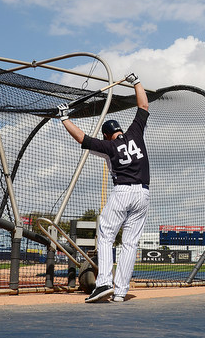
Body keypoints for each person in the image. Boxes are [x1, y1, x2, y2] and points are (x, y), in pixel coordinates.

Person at [57, 72, 150, 303]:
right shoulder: (136, 134)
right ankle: (120, 292)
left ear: (107, 135)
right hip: (143, 194)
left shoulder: (109, 146)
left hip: (123, 192)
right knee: (130, 243)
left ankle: (104, 284)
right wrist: (136, 82)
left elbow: (83, 138)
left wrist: (64, 119)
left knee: (106, 236)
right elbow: (144, 104)